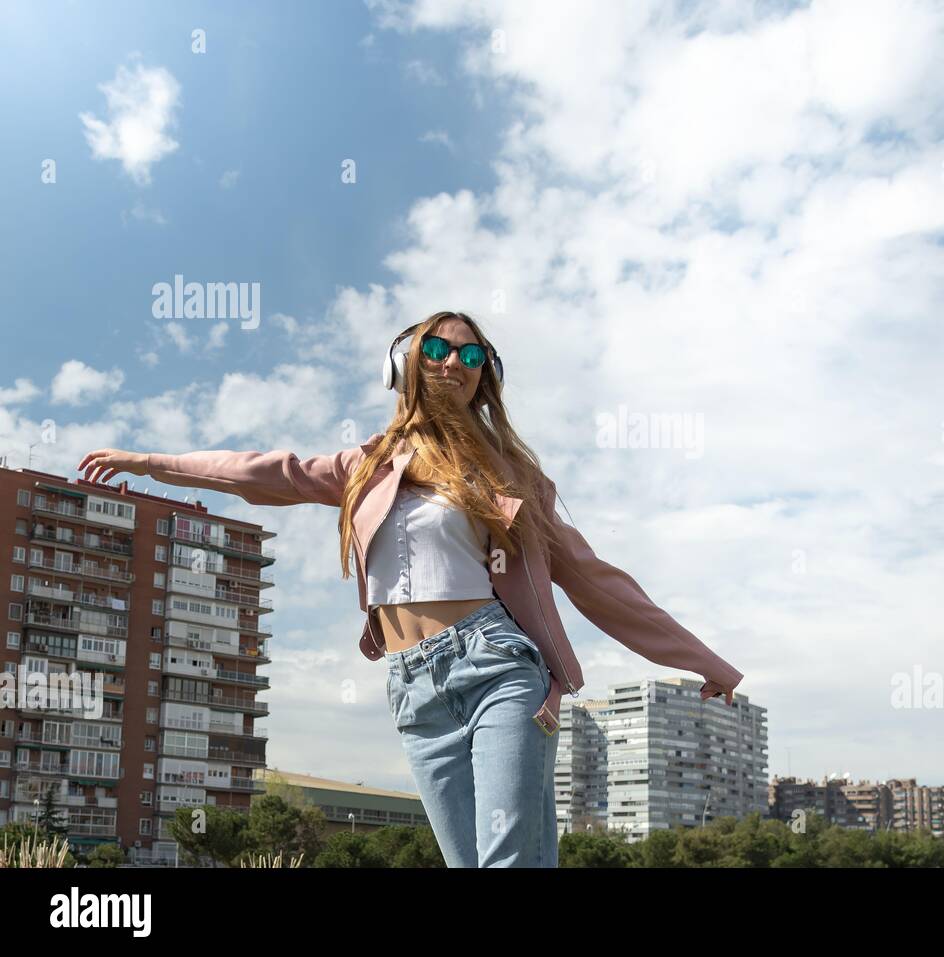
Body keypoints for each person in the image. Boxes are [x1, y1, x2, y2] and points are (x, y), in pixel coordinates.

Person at [77, 310, 744, 867]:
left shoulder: (511, 475)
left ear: (485, 376)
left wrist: (701, 659)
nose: (453, 360)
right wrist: (150, 462)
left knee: (506, 859)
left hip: (498, 669)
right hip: (414, 688)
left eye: (471, 353)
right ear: (408, 362)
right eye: (438, 346)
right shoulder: (363, 467)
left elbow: (594, 578)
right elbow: (260, 471)